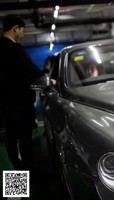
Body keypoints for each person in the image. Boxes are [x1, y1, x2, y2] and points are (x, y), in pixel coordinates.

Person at [0, 15, 45, 171]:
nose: (23, 34)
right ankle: (31, 172)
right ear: (15, 28)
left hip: (4, 104)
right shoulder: (15, 49)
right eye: (22, 30)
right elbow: (30, 69)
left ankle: (17, 169)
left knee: (11, 138)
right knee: (25, 137)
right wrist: (45, 78)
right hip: (20, 102)